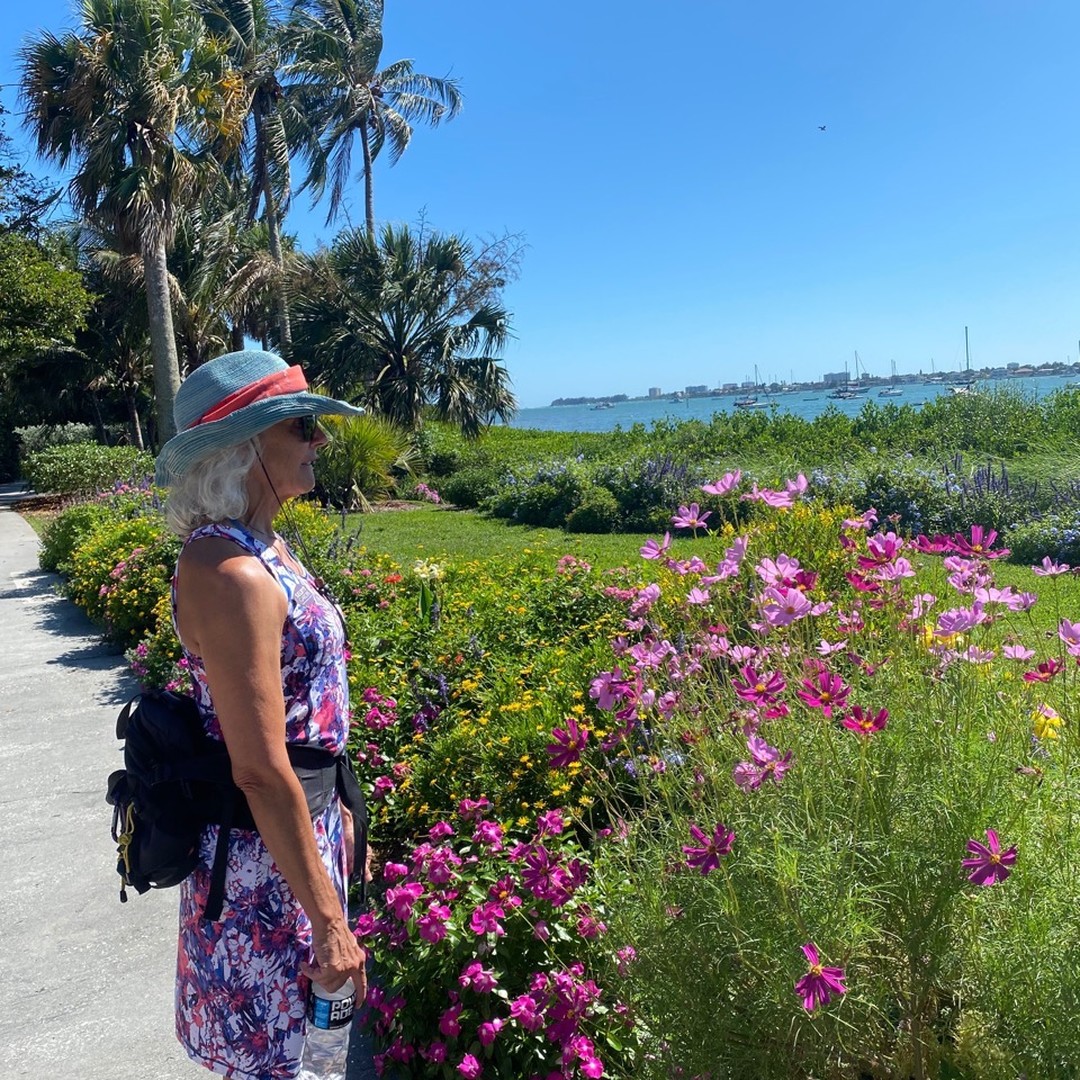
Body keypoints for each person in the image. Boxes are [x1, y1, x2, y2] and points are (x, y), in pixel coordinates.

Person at [155, 349, 368, 1078]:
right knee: (280, 1061)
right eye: (304, 427)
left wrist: (338, 827)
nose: (320, 442)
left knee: (317, 1054)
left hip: (299, 844)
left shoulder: (262, 548)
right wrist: (329, 922)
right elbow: (257, 765)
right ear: (246, 445)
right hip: (263, 869)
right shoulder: (232, 571)